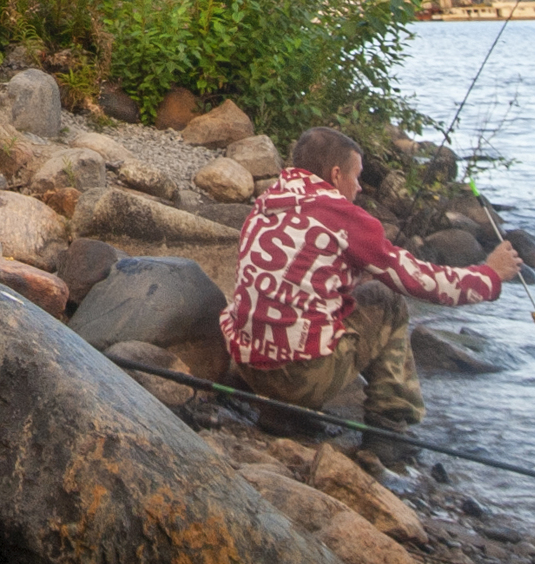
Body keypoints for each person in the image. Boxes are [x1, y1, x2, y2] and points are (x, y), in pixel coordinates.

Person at [219, 124, 515, 450]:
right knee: (387, 300)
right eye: (356, 176)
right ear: (335, 175)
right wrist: (489, 276)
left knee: (363, 294)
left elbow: (305, 278)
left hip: (249, 367)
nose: (359, 187)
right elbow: (420, 281)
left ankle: (281, 412)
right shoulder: (343, 217)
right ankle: (389, 426)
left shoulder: (266, 205)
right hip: (301, 378)